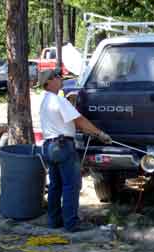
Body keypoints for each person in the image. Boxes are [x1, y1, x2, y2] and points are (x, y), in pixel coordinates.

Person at [39, 69, 112, 232]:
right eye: (57, 78)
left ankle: (54, 221)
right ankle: (72, 224)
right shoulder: (59, 101)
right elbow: (79, 121)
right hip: (63, 145)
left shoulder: (44, 101)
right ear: (49, 82)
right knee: (71, 185)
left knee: (55, 185)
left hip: (49, 147)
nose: (60, 80)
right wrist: (99, 133)